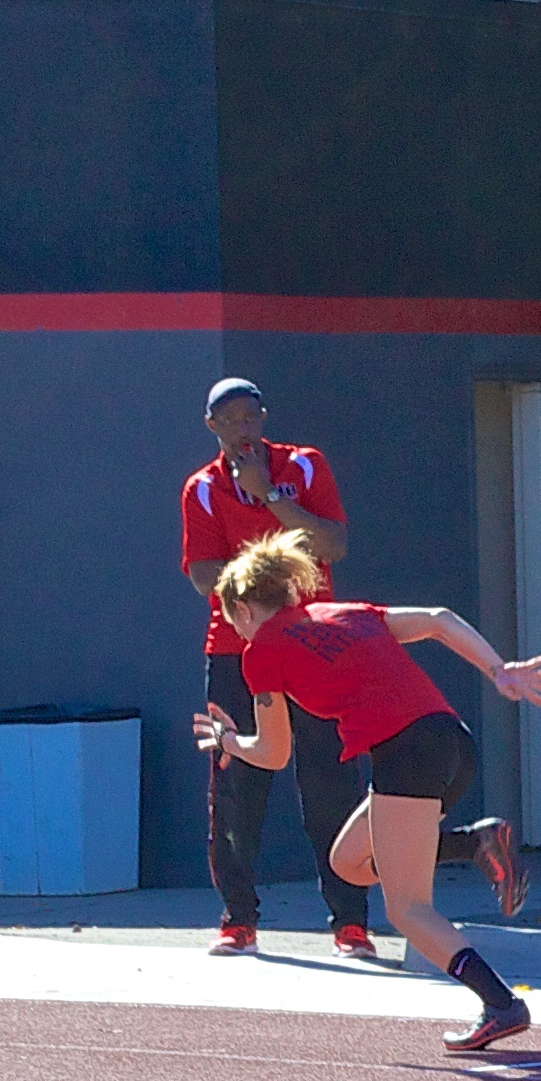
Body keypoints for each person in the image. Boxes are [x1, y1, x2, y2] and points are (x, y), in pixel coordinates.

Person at [192, 532, 541, 1052]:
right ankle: (475, 843)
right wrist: (499, 670)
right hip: (451, 741)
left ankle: (500, 1004)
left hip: (405, 753)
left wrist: (228, 740)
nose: (235, 629)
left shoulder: (260, 652)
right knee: (348, 861)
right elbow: (439, 619)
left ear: (246, 609)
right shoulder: (345, 613)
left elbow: (273, 754)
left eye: (232, 618)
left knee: (408, 909)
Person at [183, 376, 374, 959]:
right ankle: (238, 918)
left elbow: (333, 546)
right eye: (232, 419)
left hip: (316, 645)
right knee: (237, 782)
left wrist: (269, 496)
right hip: (235, 651)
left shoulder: (305, 467)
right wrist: (263, 601)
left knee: (329, 780)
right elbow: (204, 577)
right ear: (212, 425)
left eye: (253, 416)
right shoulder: (203, 489)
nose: (246, 428)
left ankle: (350, 922)